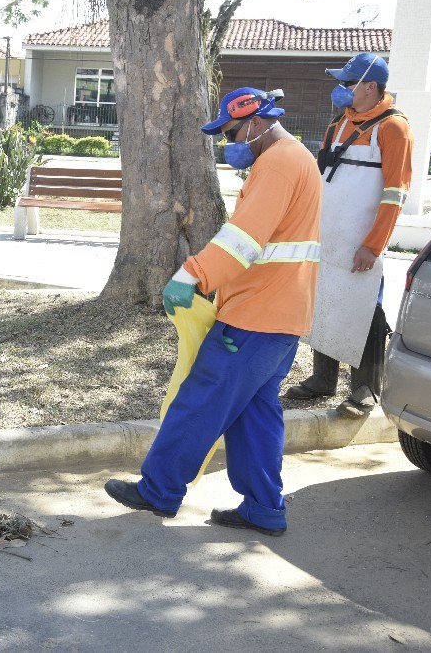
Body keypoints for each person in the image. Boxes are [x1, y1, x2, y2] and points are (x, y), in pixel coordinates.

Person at [105, 87, 322, 536]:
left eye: (230, 132)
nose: (228, 143)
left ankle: (159, 490)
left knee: (200, 400)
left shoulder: (278, 164)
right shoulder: (296, 158)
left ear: (257, 123)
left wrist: (192, 274)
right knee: (256, 414)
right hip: (282, 315)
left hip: (255, 317)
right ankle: (265, 508)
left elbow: (243, 239)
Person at [285, 53, 413, 418]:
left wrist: (373, 245)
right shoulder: (338, 122)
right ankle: (323, 379)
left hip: (363, 241)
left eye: (347, 83)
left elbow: (396, 193)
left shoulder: (394, 127)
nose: (340, 89)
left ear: (370, 87)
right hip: (328, 235)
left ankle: (367, 389)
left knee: (365, 311)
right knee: (323, 301)